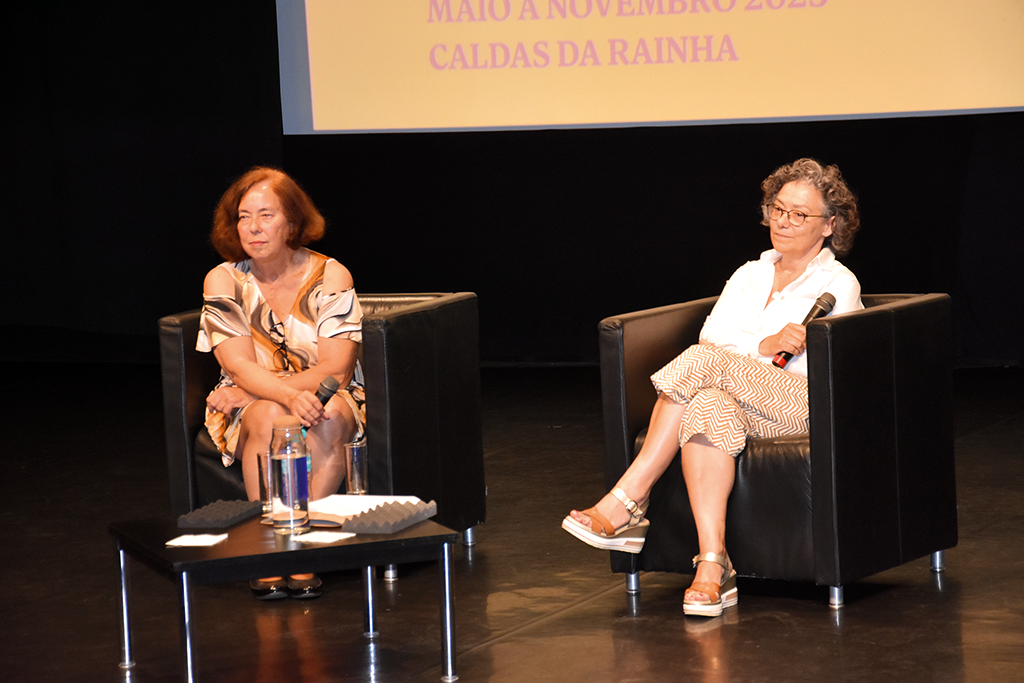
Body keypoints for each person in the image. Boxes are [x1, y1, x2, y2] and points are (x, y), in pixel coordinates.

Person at [562, 158, 862, 617]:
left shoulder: (837, 284)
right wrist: (764, 344)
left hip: (804, 402)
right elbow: (711, 335)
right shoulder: (749, 274)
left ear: (829, 225)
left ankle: (628, 499)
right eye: (778, 209)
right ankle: (712, 565)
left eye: (799, 214)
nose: (783, 221)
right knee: (706, 405)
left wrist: (752, 350)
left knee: (704, 364)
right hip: (742, 399)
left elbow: (843, 364)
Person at [197, 166, 365, 600]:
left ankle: (299, 548)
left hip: (326, 393)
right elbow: (238, 365)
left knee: (328, 415)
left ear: (292, 222)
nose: (253, 227)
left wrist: (259, 389)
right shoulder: (223, 279)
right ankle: (270, 546)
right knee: (271, 415)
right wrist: (283, 393)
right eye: (244, 217)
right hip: (255, 403)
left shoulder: (331, 276)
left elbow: (337, 368)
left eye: (266, 215)